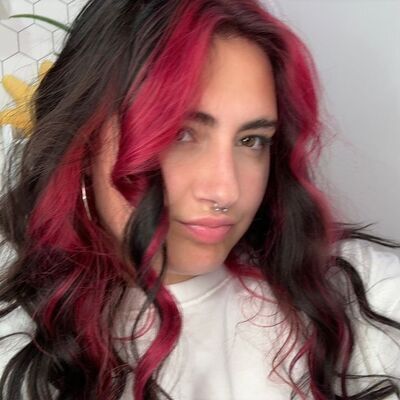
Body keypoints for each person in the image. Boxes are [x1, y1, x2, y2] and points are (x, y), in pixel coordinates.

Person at [0, 0, 399, 399]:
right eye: (180, 134)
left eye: (252, 140)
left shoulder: (364, 294)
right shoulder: (16, 342)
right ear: (82, 143)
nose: (226, 191)